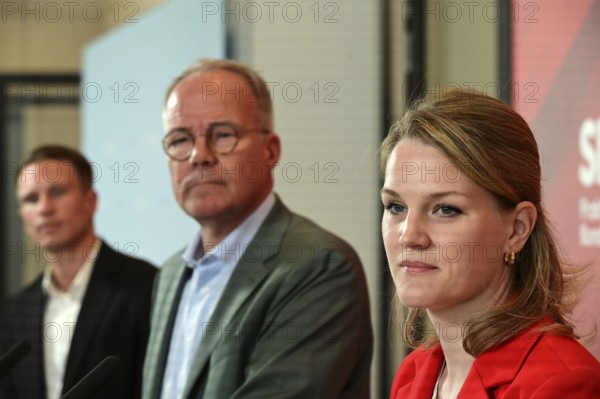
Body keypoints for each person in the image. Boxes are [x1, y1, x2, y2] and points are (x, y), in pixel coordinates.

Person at [142, 58, 372, 399]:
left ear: (271, 150)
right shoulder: (172, 273)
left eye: (222, 135)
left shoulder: (320, 265)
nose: (199, 156)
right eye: (180, 139)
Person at [380, 89, 600, 399]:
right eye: (395, 207)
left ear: (517, 229)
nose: (409, 236)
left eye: (445, 209)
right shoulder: (412, 375)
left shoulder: (561, 384)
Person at [0, 145, 156, 399]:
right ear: (22, 216)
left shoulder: (146, 287)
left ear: (90, 201)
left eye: (58, 192)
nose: (44, 208)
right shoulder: (14, 312)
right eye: (31, 199)